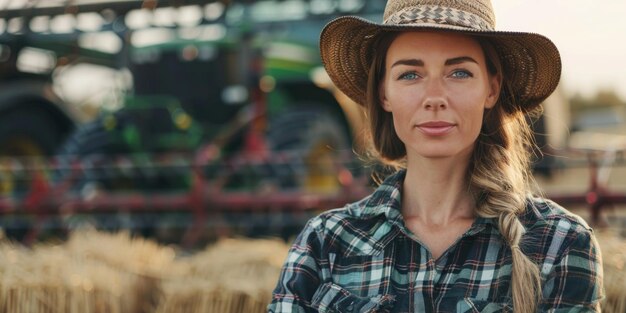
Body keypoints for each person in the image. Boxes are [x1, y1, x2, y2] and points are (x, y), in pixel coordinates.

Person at [268, 0, 604, 312]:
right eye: (410, 74)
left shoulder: (560, 245)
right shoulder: (324, 243)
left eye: (459, 72)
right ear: (384, 93)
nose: (434, 98)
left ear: (491, 88)